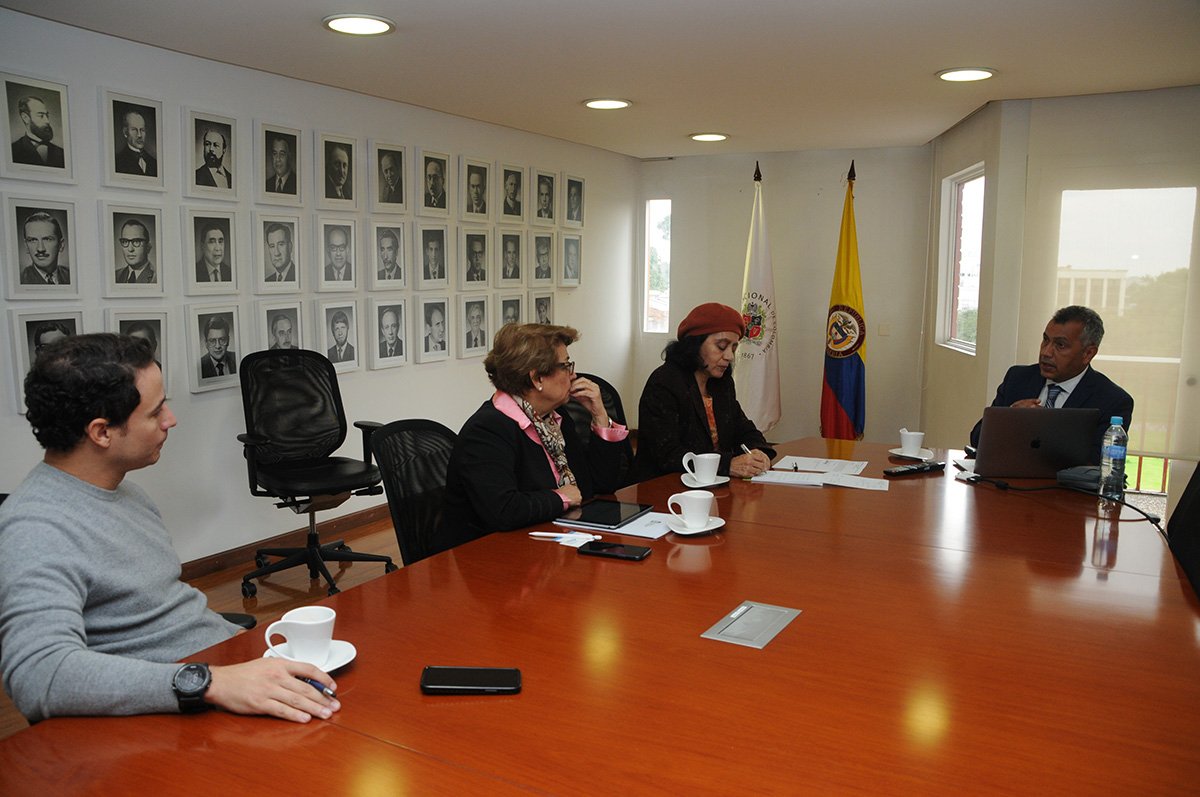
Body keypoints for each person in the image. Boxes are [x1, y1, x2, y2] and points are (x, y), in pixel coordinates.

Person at [0, 333, 339, 724]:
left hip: (223, 668)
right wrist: (208, 682)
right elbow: (39, 678)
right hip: (185, 704)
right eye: (155, 411)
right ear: (102, 432)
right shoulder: (35, 528)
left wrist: (236, 668)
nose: (170, 420)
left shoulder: (129, 494)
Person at [437, 323, 628, 556]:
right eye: (566, 366)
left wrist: (600, 415)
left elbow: (600, 486)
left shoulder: (555, 418)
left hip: (551, 544)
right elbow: (503, 510)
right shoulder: (487, 430)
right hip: (492, 559)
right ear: (537, 378)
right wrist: (561, 499)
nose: (574, 374)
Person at [969, 305, 1134, 464]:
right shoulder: (1018, 378)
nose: (1046, 352)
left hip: (1066, 490)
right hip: (1008, 485)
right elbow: (977, 436)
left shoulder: (1112, 400)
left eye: (1060, 345)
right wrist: (1009, 419)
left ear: (1088, 354)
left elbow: (1100, 461)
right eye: (1045, 340)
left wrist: (1045, 429)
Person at [632, 303, 775, 481]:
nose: (730, 356)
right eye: (722, 346)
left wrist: (757, 450)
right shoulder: (664, 383)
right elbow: (667, 455)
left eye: (734, 348)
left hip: (711, 484)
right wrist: (728, 465)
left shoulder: (721, 383)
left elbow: (743, 428)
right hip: (665, 488)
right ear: (694, 345)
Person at [11, 96, 64, 167]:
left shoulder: (61, 153)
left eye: (47, 116)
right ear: (25, 118)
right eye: (40, 115)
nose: (47, 121)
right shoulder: (13, 150)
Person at [19, 211, 70, 285]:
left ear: (61, 244)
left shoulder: (71, 275)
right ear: (26, 246)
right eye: (33, 240)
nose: (40, 249)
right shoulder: (20, 280)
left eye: (47, 239)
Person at [114, 109, 157, 177]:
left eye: (142, 130)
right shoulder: (117, 162)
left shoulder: (154, 162)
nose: (139, 135)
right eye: (134, 130)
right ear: (125, 132)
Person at [115, 219, 155, 284]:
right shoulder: (116, 275)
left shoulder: (156, 277)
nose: (130, 249)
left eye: (136, 242)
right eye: (125, 242)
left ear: (148, 247)